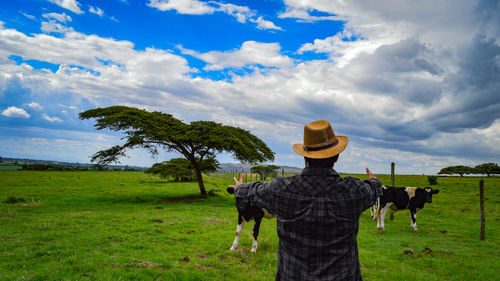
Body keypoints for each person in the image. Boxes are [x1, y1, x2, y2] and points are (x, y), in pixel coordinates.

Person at [228, 120, 382, 281]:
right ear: (336, 157)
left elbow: (252, 191)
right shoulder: (353, 191)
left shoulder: (281, 189)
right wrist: (374, 181)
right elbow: (373, 188)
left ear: (305, 157)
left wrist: (239, 187)